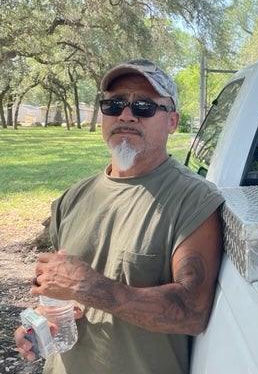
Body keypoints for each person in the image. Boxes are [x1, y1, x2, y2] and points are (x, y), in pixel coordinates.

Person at [14, 59, 225, 374]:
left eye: (143, 106)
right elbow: (62, 290)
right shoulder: (73, 198)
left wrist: (89, 287)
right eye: (114, 104)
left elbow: (192, 311)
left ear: (172, 121)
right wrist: (41, 319)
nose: (126, 114)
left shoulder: (194, 200)